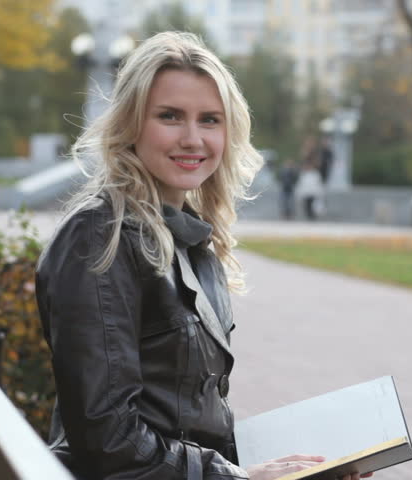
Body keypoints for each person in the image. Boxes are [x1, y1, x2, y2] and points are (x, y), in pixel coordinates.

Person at [35, 32, 367, 480]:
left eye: (210, 120)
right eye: (170, 116)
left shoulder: (190, 237)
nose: (192, 138)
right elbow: (107, 438)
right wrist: (238, 478)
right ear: (131, 123)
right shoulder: (100, 238)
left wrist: (296, 466)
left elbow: (187, 418)